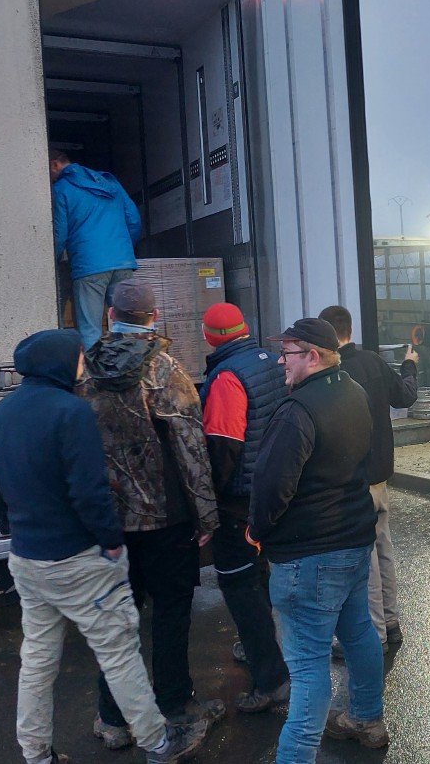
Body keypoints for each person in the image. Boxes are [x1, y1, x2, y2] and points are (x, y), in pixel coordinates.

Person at [0, 328, 208, 764]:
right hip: (79, 557)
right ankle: (159, 744)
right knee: (119, 653)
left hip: (27, 558)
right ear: (60, 363)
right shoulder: (71, 412)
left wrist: (17, 524)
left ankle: (37, 754)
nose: (84, 364)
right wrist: (110, 541)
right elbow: (90, 491)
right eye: (79, 356)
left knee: (38, 660)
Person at [75, 279, 224, 749]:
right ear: (153, 317)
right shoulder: (164, 371)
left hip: (109, 521)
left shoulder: (85, 370)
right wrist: (207, 517)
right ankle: (176, 708)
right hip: (165, 521)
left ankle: (112, 717)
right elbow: (190, 449)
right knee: (172, 613)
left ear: (110, 314)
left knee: (116, 619)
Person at [250, 318, 387, 762]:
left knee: (308, 665)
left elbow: (272, 487)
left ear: (312, 355)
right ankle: (367, 718)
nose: (279, 363)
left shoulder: (297, 412)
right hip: (352, 539)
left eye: (286, 354)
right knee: (358, 631)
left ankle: (296, 757)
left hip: (307, 555)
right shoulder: (354, 391)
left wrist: (258, 530)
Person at [198, 302, 292, 712]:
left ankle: (270, 679)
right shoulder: (273, 362)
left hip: (238, 501)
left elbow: (224, 446)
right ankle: (268, 648)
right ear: (245, 328)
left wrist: (208, 501)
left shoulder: (226, 378)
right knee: (266, 575)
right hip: (273, 490)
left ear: (209, 336)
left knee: (240, 586)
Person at [318, 305, 417, 648]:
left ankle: (373, 636)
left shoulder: (333, 373)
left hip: (353, 481)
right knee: (383, 548)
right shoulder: (373, 362)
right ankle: (390, 622)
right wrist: (410, 365)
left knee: (366, 561)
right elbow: (405, 395)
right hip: (379, 478)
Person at [50, 148, 143, 349]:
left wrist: (53, 262)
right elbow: (134, 219)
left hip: (89, 266)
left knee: (91, 330)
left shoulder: (61, 189)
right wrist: (124, 250)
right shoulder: (111, 183)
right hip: (122, 262)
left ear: (55, 164)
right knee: (129, 325)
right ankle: (131, 376)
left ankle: (95, 379)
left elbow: (60, 234)